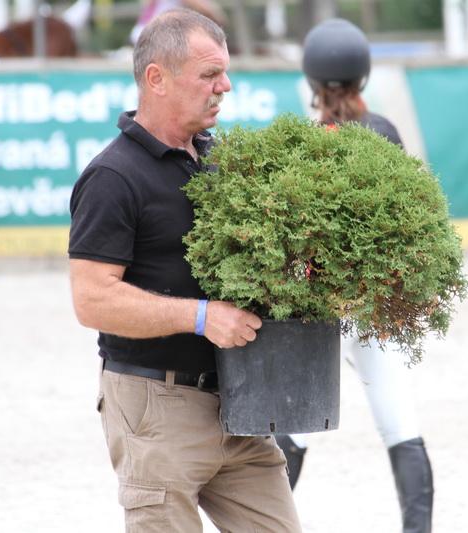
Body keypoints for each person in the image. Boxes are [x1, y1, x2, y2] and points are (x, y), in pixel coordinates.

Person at [68, 9, 301, 532]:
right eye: (209, 74)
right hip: (157, 408)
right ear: (157, 78)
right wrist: (201, 316)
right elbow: (92, 299)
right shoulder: (111, 177)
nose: (226, 86)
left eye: (225, 73)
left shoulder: (218, 161)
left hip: (241, 403)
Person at [275, 18, 434, 533]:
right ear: (363, 77)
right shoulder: (385, 134)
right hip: (374, 307)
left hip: (320, 308)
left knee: (293, 434)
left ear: (312, 80)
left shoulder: (305, 142)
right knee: (401, 429)